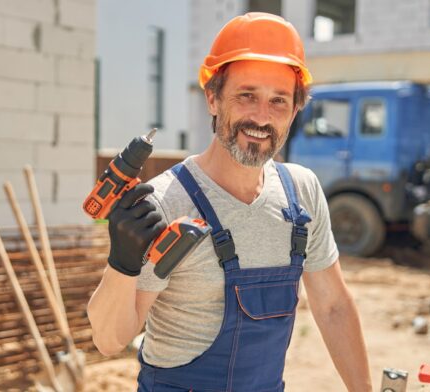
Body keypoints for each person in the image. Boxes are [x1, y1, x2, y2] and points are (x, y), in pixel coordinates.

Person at [87, 12, 372, 391]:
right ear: (213, 98)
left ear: (295, 112)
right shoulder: (164, 203)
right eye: (246, 96)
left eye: (279, 102)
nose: (261, 117)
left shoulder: (301, 193)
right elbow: (109, 341)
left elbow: (333, 306)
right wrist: (122, 264)